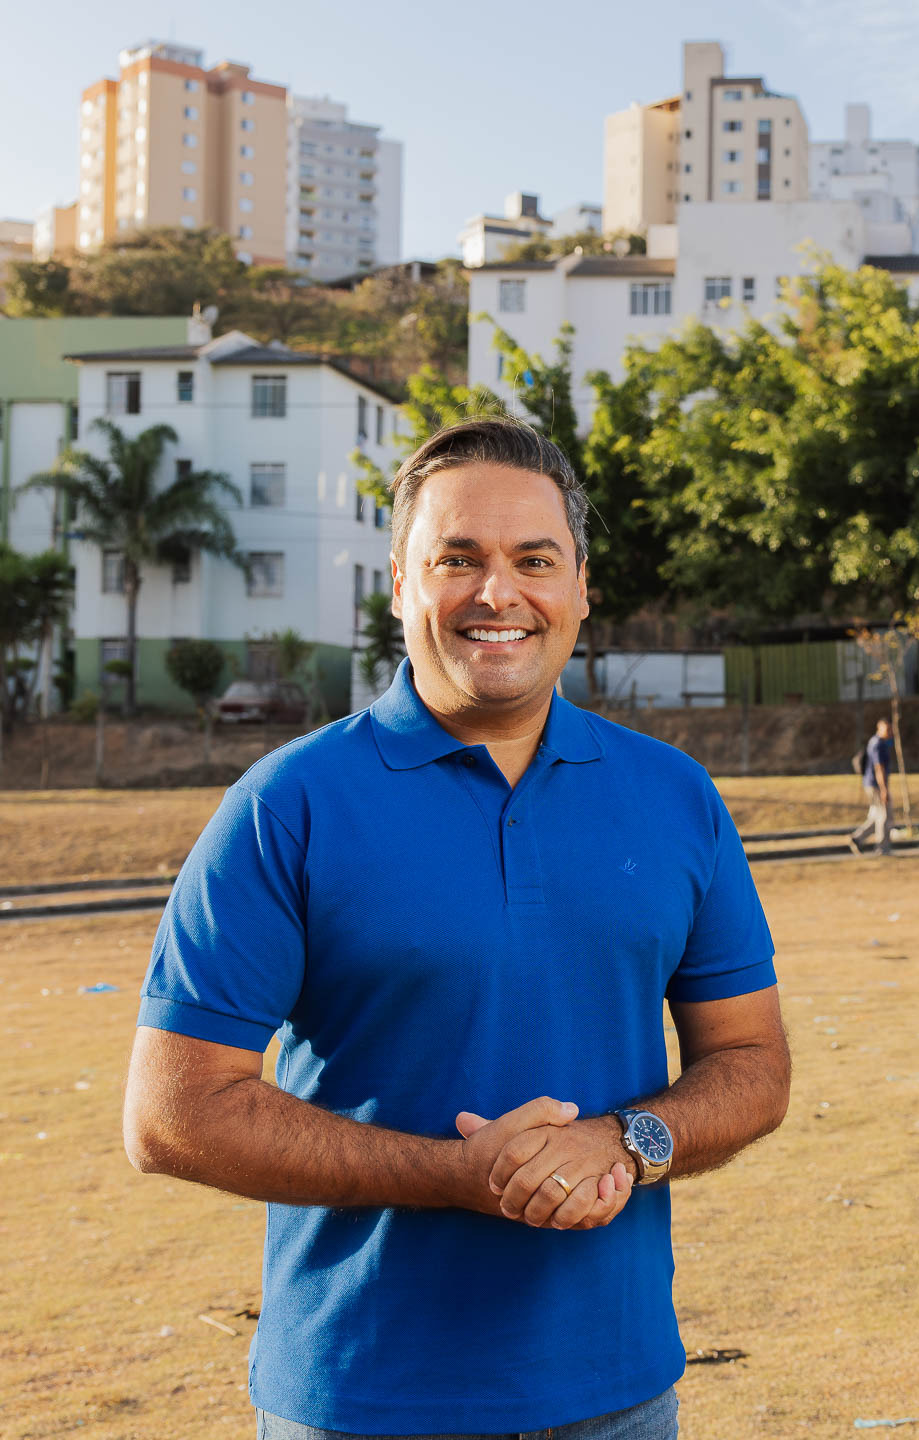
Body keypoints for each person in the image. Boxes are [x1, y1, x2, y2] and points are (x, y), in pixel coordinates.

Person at [123, 417, 791, 1440]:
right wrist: (450, 1176)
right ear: (399, 582)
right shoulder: (287, 805)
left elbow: (751, 1063)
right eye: (457, 559)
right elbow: (171, 1115)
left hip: (620, 1397)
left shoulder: (675, 797)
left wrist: (628, 1139)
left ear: (579, 588)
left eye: (535, 560)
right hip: (361, 1400)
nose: (499, 594)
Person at [849, 717, 895, 856]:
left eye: (890, 729)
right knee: (885, 816)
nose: (889, 732)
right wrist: (884, 790)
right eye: (886, 729)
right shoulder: (878, 744)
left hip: (869, 783)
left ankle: (857, 838)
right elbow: (878, 768)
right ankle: (882, 848)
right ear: (879, 728)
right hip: (876, 784)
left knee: (876, 815)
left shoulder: (876, 742)